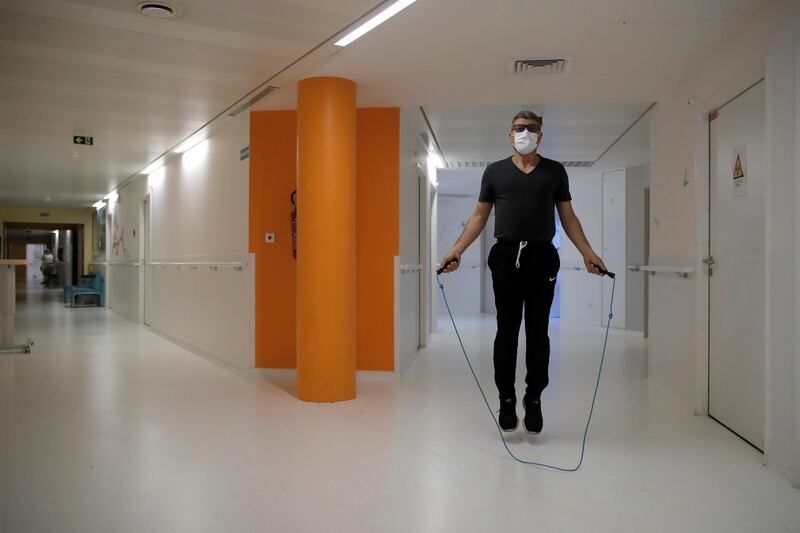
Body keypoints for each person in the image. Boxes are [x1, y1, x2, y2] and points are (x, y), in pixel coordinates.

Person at [439, 110, 608, 435]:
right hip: (505, 257)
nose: (525, 132)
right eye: (519, 128)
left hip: (542, 257)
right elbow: (478, 216)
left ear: (541, 135)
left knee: (538, 333)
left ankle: (533, 398)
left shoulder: (554, 172)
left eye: (532, 128)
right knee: (506, 332)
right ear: (509, 134)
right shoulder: (495, 172)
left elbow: (568, 217)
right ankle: (506, 398)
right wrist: (456, 249)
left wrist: (588, 252)